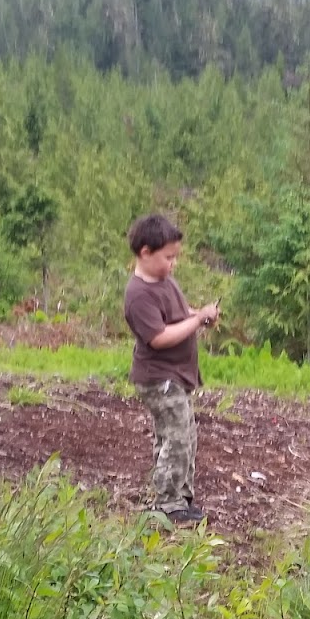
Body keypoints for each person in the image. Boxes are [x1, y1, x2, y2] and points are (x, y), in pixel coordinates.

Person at [121, 214, 217, 525]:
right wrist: (196, 321)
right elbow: (159, 338)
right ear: (145, 252)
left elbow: (177, 314)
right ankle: (168, 503)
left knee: (185, 433)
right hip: (158, 379)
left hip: (175, 376)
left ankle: (181, 498)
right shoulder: (138, 295)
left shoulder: (164, 282)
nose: (173, 264)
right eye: (168, 257)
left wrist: (198, 313)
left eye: (175, 257)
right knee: (175, 436)